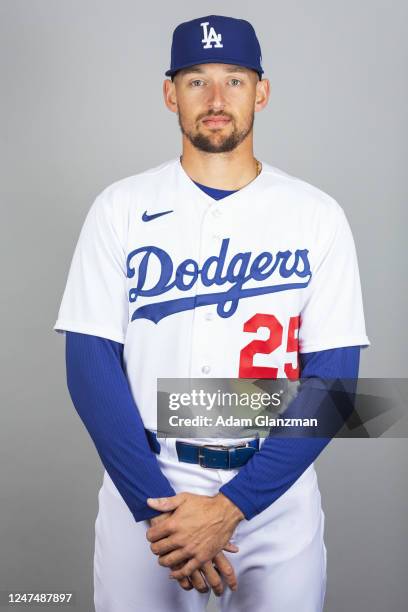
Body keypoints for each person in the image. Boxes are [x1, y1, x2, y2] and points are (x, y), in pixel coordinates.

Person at [53, 14, 370, 612]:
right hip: (148, 494)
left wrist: (232, 508)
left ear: (262, 91)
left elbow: (335, 378)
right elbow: (88, 365)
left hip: (276, 494)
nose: (217, 98)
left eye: (235, 79)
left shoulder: (315, 214)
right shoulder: (120, 208)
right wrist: (163, 517)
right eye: (197, 81)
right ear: (170, 93)